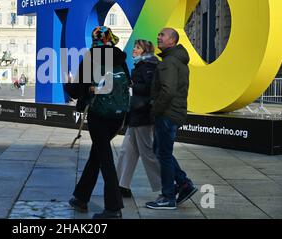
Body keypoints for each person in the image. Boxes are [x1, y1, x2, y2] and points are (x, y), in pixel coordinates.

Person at [66, 26, 130, 219]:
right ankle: (81, 197)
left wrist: (68, 82)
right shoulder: (120, 57)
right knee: (97, 155)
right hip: (118, 116)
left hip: (99, 115)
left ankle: (113, 208)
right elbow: (128, 82)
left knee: (105, 160)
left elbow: (77, 91)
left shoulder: (91, 57)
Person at [145, 28, 197, 210]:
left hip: (167, 113)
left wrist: (155, 110)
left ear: (172, 41)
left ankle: (168, 197)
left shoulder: (169, 61)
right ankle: (184, 184)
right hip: (172, 112)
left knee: (163, 154)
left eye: (162, 35)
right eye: (158, 34)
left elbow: (167, 91)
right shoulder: (176, 60)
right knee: (159, 150)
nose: (158, 37)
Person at [116, 40, 162, 198]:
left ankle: (166, 186)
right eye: (135, 47)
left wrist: (132, 85)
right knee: (126, 151)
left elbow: (151, 89)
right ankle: (121, 185)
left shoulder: (148, 66)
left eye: (137, 48)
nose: (134, 50)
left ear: (145, 51)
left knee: (147, 152)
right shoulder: (141, 65)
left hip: (143, 114)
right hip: (136, 114)